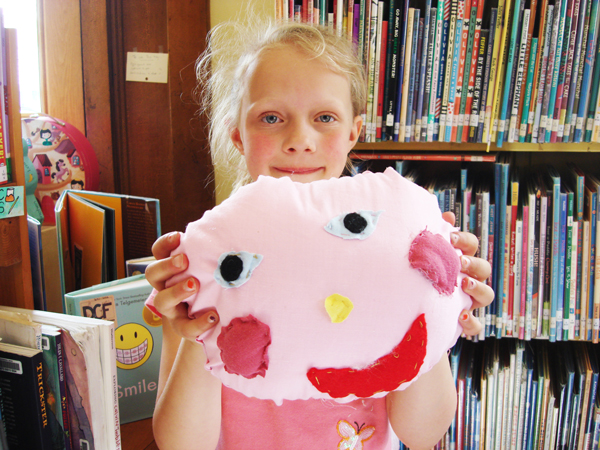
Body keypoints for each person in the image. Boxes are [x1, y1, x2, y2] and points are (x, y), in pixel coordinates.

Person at [146, 19, 494, 450]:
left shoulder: (390, 249)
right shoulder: (201, 267)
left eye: (324, 117)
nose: (299, 140)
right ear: (238, 135)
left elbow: (422, 434)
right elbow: (181, 444)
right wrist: (199, 328)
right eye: (271, 117)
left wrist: (430, 302)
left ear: (354, 132)